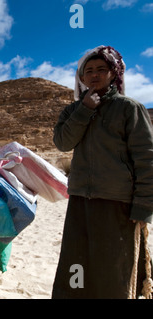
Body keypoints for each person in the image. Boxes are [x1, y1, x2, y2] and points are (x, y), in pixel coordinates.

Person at [52, 45, 153, 299]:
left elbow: (147, 159)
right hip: (79, 202)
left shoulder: (129, 109)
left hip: (117, 204)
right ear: (81, 78)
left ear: (114, 73)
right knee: (76, 268)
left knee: (113, 274)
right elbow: (64, 142)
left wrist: (143, 206)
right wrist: (85, 109)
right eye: (89, 71)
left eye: (101, 69)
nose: (94, 75)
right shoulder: (72, 111)